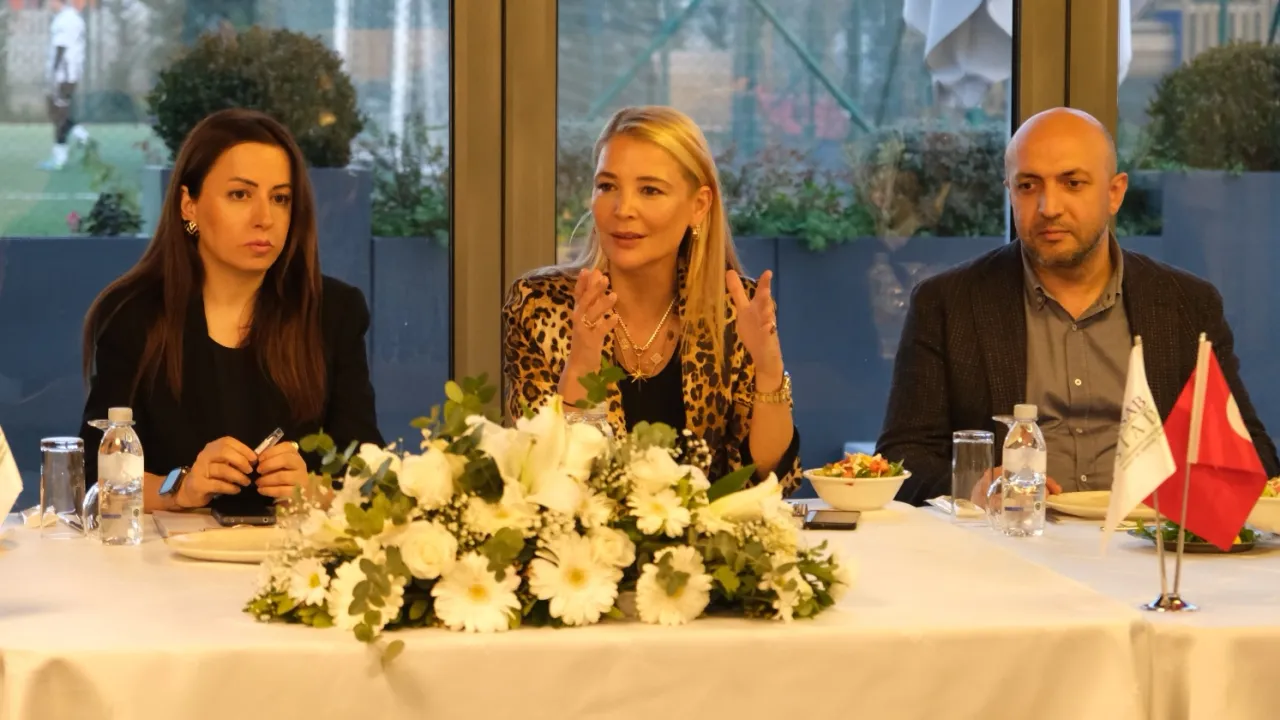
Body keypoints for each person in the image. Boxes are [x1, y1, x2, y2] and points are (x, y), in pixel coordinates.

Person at [877, 107, 1280, 506]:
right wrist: (974, 487)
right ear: (1010, 192)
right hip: (1012, 536)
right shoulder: (948, 303)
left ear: (1114, 193)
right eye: (1028, 186)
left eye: (1072, 183)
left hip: (1145, 536)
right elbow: (902, 458)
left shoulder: (1187, 305)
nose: (1049, 207)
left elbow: (1252, 458)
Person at [79, 108, 383, 516]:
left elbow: (370, 477)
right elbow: (96, 481)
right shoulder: (134, 313)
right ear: (189, 204)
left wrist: (312, 489)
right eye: (240, 195)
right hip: (167, 554)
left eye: (280, 198)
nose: (264, 219)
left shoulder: (334, 312)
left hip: (292, 551)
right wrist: (181, 488)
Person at [502, 105, 802, 492]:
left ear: (699, 205)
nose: (623, 209)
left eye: (650, 190)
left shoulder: (734, 306)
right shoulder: (540, 304)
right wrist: (582, 363)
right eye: (607, 186)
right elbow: (540, 479)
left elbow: (768, 480)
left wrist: (769, 373)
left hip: (707, 531)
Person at [39, 0, 91, 171]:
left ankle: (60, 157)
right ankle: (80, 134)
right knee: (58, 111)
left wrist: (54, 74)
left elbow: (62, 47)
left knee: (59, 114)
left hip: (64, 74)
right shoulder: (68, 17)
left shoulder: (66, 19)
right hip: (67, 73)